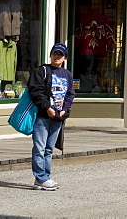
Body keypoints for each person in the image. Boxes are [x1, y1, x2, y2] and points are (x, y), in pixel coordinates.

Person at [28, 43, 75, 191]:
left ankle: (44, 178)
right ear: (50, 55)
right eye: (54, 53)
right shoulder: (41, 71)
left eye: (60, 54)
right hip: (42, 116)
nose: (57, 56)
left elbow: (70, 94)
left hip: (58, 117)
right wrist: (47, 108)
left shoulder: (67, 74)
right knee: (39, 148)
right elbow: (36, 92)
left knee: (49, 149)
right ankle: (41, 178)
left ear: (65, 58)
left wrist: (65, 110)